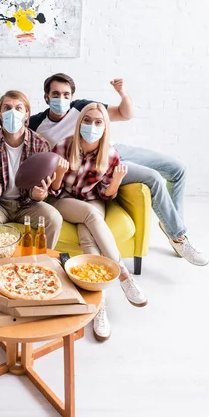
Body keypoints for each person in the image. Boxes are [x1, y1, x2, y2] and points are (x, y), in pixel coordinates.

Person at [30, 73, 206, 267]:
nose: (61, 99)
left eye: (66, 95)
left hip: (112, 151)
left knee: (177, 169)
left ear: (72, 96)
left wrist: (122, 93)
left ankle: (172, 226)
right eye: (55, 94)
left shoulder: (81, 108)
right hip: (92, 167)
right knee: (154, 178)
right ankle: (179, 238)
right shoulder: (36, 123)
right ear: (46, 97)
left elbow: (125, 114)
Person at [50, 103, 148, 342]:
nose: (91, 126)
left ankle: (98, 302)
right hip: (65, 201)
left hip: (93, 201)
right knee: (91, 216)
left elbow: (106, 196)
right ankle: (123, 274)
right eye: (87, 120)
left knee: (87, 237)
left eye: (98, 122)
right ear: (79, 122)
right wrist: (60, 174)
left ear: (105, 127)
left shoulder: (111, 155)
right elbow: (53, 191)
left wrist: (116, 181)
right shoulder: (63, 146)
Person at [0, 90, 63, 247]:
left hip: (28, 203)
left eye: (18, 108)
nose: (12, 112)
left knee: (54, 218)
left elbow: (39, 193)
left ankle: (41, 262)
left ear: (26, 115)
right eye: (7, 108)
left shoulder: (40, 144)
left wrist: (39, 194)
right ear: (0, 114)